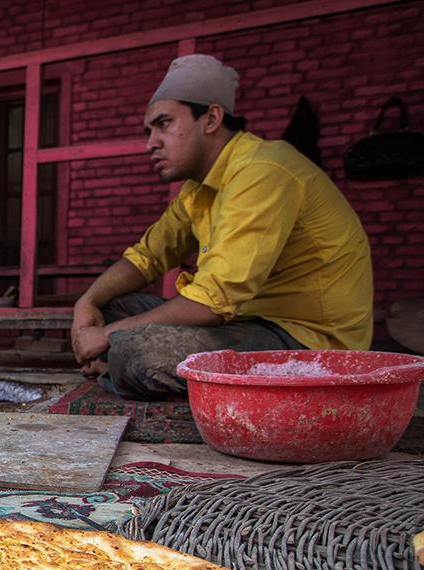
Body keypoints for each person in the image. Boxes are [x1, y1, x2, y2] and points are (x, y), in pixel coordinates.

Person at [70, 55, 373, 400]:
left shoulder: (263, 170)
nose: (150, 143)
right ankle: (121, 368)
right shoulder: (198, 189)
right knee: (114, 308)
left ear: (211, 118)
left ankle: (116, 369)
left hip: (308, 342)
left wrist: (107, 339)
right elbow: (147, 257)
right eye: (148, 131)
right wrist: (87, 301)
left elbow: (213, 302)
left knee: (134, 352)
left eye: (163, 124)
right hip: (244, 325)